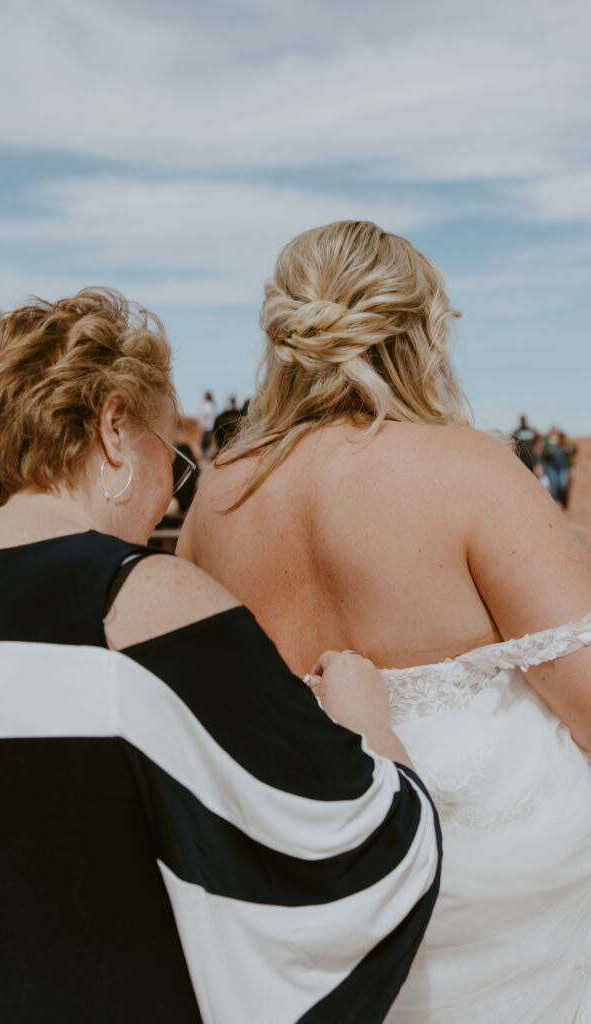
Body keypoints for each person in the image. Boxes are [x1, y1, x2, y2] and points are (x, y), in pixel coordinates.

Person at [0, 287, 440, 1024]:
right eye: (174, 459)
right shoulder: (139, 601)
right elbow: (349, 849)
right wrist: (369, 727)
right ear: (115, 428)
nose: (167, 497)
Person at [177, 221, 591, 1023]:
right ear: (421, 332)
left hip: (298, 890)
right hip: (495, 899)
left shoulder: (217, 494)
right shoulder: (468, 467)